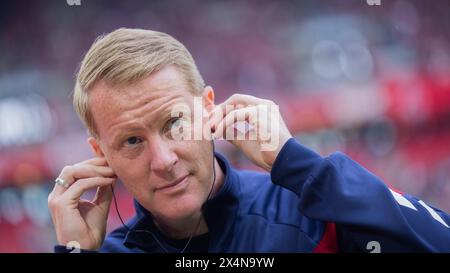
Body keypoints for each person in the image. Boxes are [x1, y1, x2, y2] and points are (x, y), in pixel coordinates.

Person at [48, 28, 450, 253]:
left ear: (209, 109)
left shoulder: (310, 211)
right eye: (132, 141)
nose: (164, 159)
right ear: (102, 156)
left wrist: (303, 167)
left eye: (174, 123)